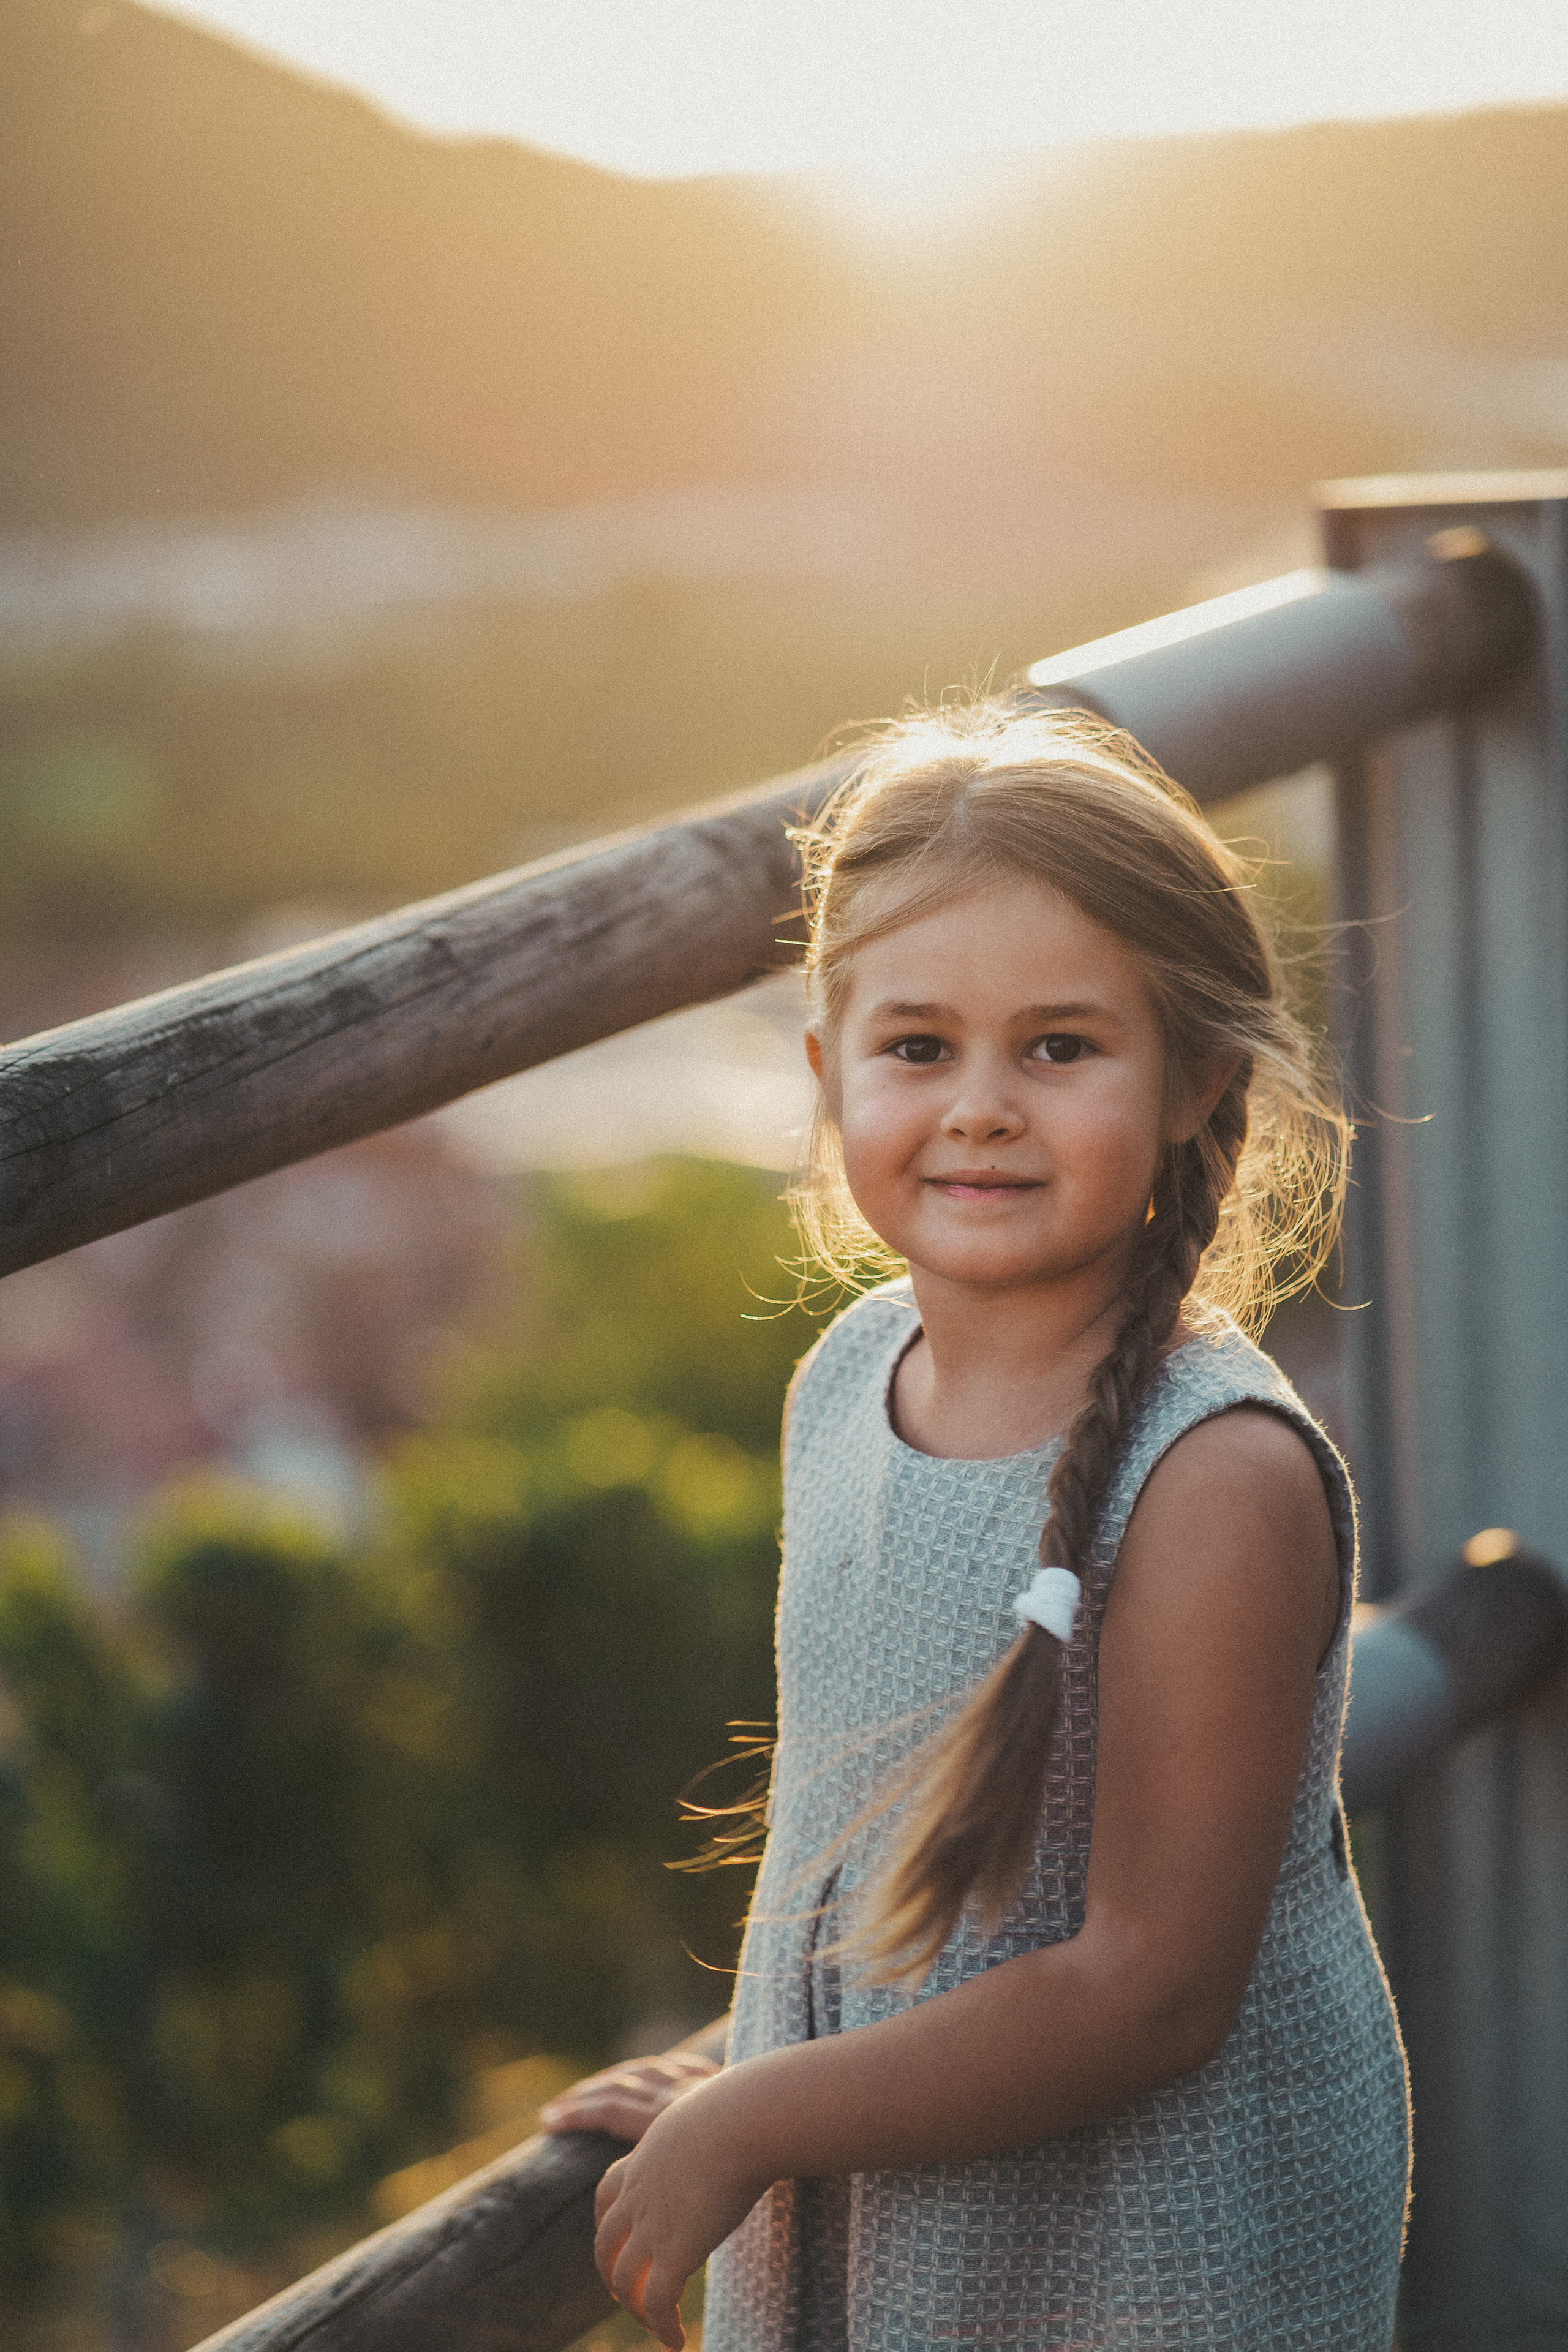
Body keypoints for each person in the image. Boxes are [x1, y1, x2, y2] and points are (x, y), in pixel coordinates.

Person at [540, 703, 1411, 2351]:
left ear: (1195, 1080)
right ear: (827, 1073)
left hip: (1152, 2262)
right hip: (903, 2191)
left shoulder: (1213, 1480)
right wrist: (766, 2059)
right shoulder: (844, 1380)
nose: (983, 1107)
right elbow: (859, 1841)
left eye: (1060, 1047)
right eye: (919, 1048)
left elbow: (1152, 1992)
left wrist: (758, 2120)